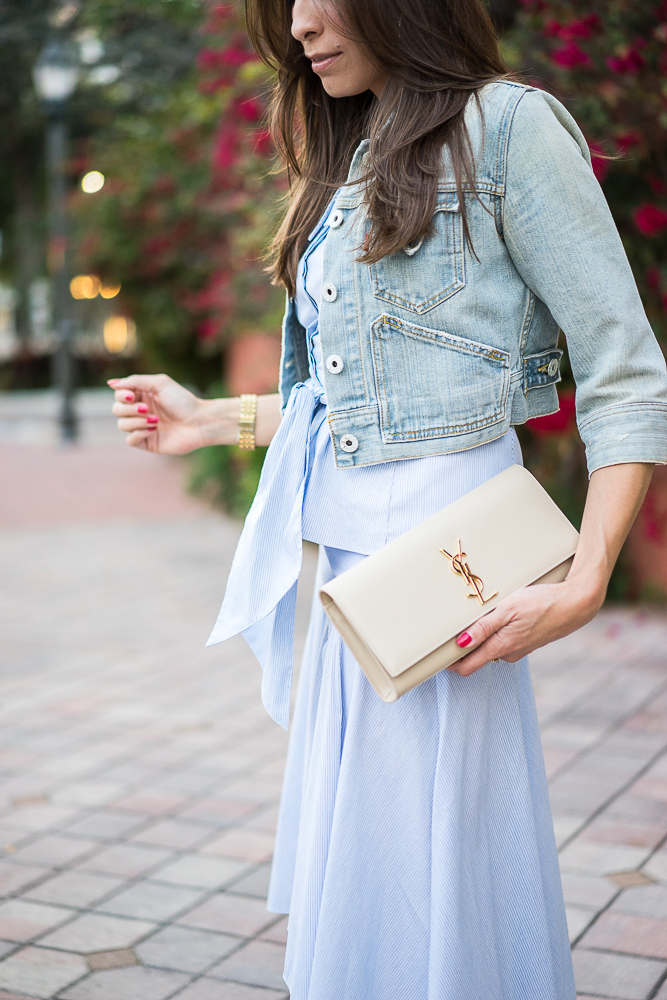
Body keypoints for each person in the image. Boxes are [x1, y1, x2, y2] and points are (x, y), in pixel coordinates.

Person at [109, 0, 667, 996]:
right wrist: (208, 420)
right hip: (357, 585)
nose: (300, 24)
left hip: (452, 575)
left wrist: (583, 586)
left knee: (443, 863)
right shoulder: (352, 155)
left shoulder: (508, 128)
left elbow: (627, 371)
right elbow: (347, 407)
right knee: (372, 867)